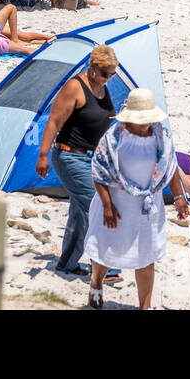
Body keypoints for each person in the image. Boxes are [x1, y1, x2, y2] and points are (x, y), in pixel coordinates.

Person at [84, 88, 189, 310]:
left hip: (148, 208)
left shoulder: (161, 136)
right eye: (140, 119)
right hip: (117, 205)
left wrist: (179, 196)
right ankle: (96, 282)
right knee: (106, 250)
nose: (145, 123)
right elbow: (99, 172)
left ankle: (145, 306)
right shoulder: (114, 138)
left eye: (148, 119)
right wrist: (107, 205)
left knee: (146, 256)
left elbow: (170, 168)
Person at [36, 44, 118, 276]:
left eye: (112, 74)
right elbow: (53, 121)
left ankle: (67, 263)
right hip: (69, 156)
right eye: (105, 73)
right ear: (92, 67)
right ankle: (106, 266)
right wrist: (43, 156)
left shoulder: (102, 86)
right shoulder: (75, 86)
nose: (108, 78)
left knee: (80, 211)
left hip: (94, 159)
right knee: (98, 206)